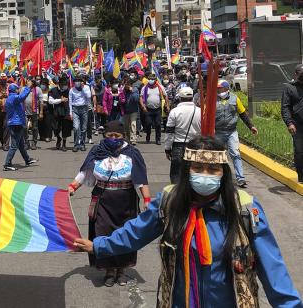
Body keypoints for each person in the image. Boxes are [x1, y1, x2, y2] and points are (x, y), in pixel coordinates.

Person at [74, 136, 303, 307]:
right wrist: (98, 245)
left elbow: (273, 269)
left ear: (223, 173)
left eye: (213, 169)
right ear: (187, 170)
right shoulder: (169, 202)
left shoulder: (245, 209)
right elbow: (136, 232)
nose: (205, 174)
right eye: (198, 168)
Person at [68, 120, 150, 287]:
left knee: (124, 235)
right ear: (104, 136)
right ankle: (109, 271)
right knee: (103, 233)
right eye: (109, 136)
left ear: (123, 136)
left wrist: (146, 200)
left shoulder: (132, 153)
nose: (113, 138)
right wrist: (72, 187)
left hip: (126, 200)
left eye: (117, 136)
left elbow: (141, 179)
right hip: (103, 199)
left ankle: (121, 270)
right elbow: (85, 172)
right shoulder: (97, 151)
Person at [215, 80, 258, 188]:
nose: (219, 91)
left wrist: (251, 126)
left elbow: (242, 114)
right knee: (219, 156)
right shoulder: (212, 100)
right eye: (218, 89)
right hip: (218, 132)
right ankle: (219, 178)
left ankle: (241, 179)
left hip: (231, 132)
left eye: (220, 89)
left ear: (226, 89)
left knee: (236, 154)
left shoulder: (235, 99)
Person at [164, 87, 202, 183]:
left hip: (178, 146)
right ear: (192, 97)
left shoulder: (174, 112)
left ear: (180, 97)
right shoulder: (200, 111)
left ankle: (177, 196)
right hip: (195, 145)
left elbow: (169, 132)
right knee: (194, 173)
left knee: (176, 175)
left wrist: (167, 149)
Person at [3, 82, 38, 171]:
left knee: (21, 145)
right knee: (14, 145)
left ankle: (27, 159)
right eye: (18, 88)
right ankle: (7, 164)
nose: (19, 90)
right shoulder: (14, 97)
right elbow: (22, 97)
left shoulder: (9, 98)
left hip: (15, 123)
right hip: (16, 124)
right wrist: (28, 87)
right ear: (15, 90)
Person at [281, 64, 303, 183]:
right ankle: (301, 176)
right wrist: (289, 123)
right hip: (297, 125)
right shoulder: (289, 87)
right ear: (296, 75)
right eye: (301, 75)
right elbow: (285, 107)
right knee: (299, 151)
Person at [140, 73, 169, 145]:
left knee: (158, 124)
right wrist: (143, 106)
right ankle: (148, 136)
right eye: (149, 79)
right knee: (148, 124)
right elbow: (141, 97)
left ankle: (158, 139)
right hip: (148, 109)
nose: (151, 80)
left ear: (155, 80)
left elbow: (165, 96)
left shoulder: (160, 87)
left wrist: (167, 105)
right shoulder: (145, 88)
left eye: (152, 79)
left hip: (157, 109)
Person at [49, 76, 73, 151]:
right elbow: (50, 101)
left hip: (66, 112)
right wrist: (60, 100)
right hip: (57, 112)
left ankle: (64, 144)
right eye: (63, 85)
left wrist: (71, 113)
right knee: (55, 128)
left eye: (66, 85)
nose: (65, 86)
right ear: (59, 84)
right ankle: (58, 138)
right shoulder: (53, 90)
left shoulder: (69, 91)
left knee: (65, 129)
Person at [69, 75, 92, 152]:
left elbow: (89, 96)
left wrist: (82, 89)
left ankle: (82, 144)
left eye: (79, 81)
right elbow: (70, 102)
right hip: (75, 109)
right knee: (76, 127)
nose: (77, 82)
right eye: (76, 81)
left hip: (84, 109)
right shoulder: (71, 90)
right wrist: (70, 113)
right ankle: (76, 144)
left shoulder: (86, 87)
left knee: (84, 128)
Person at [23, 77, 44, 150]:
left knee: (35, 128)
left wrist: (41, 112)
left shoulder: (38, 89)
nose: (28, 82)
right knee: (24, 127)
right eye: (28, 81)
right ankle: (26, 142)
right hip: (25, 111)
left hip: (35, 112)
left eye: (29, 81)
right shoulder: (24, 89)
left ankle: (34, 143)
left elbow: (41, 102)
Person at [122, 81, 140, 145]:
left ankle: (133, 139)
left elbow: (136, 99)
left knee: (133, 124)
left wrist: (132, 92)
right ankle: (127, 138)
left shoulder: (135, 90)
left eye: (127, 84)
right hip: (125, 111)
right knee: (126, 126)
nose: (126, 86)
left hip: (133, 110)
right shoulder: (123, 90)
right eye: (125, 84)